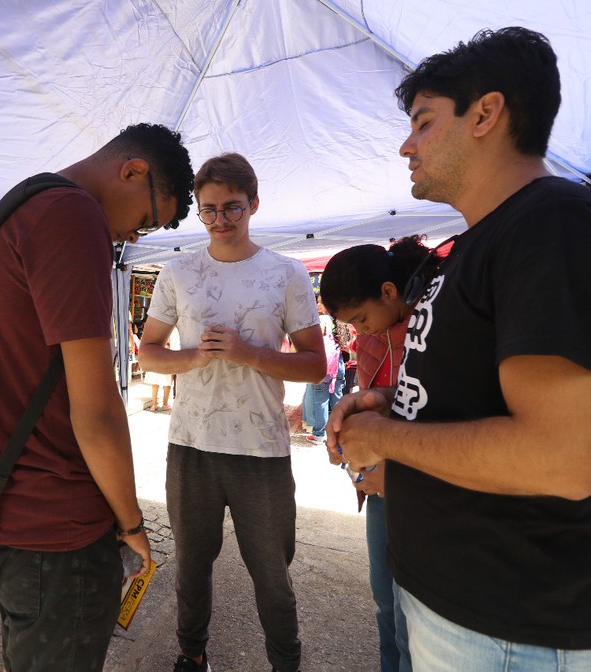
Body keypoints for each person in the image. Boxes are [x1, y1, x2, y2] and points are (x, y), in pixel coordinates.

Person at [326, 27, 591, 671]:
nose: (405, 144)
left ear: (487, 114)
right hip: (466, 616)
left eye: (422, 122)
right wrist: (389, 399)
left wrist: (385, 437)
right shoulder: (482, 243)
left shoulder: (557, 225)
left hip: (509, 631)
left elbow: (561, 456)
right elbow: (484, 389)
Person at [0, 122, 194, 671]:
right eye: (145, 221)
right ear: (133, 170)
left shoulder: (23, 203)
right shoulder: (73, 217)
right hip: (59, 523)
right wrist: (132, 523)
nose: (133, 238)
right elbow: (95, 411)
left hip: (17, 510)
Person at [138, 152, 326, 672]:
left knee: (271, 572)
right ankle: (191, 655)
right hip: (191, 444)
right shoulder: (179, 272)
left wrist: (250, 354)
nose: (220, 220)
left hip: (260, 449)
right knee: (192, 566)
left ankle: (285, 663)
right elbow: (148, 351)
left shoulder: (285, 274)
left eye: (232, 208)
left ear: (254, 205)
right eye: (209, 209)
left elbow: (315, 365)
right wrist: (195, 356)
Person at [320, 235, 445, 672]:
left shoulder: (435, 325)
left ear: (389, 292)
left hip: (427, 490)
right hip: (378, 491)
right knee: (385, 604)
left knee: (420, 617)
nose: (359, 331)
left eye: (361, 317)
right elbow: (372, 399)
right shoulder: (370, 340)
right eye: (350, 325)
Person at [301, 296, 340, 443]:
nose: (317, 306)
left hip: (324, 365)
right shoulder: (339, 320)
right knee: (337, 397)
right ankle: (338, 430)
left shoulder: (322, 321)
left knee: (321, 400)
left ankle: (318, 434)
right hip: (338, 364)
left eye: (320, 303)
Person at [144, 327, 179, 411]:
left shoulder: (155, 327)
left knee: (155, 382)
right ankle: (165, 404)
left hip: (154, 355)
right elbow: (172, 344)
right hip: (165, 354)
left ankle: (154, 404)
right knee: (166, 381)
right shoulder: (171, 329)